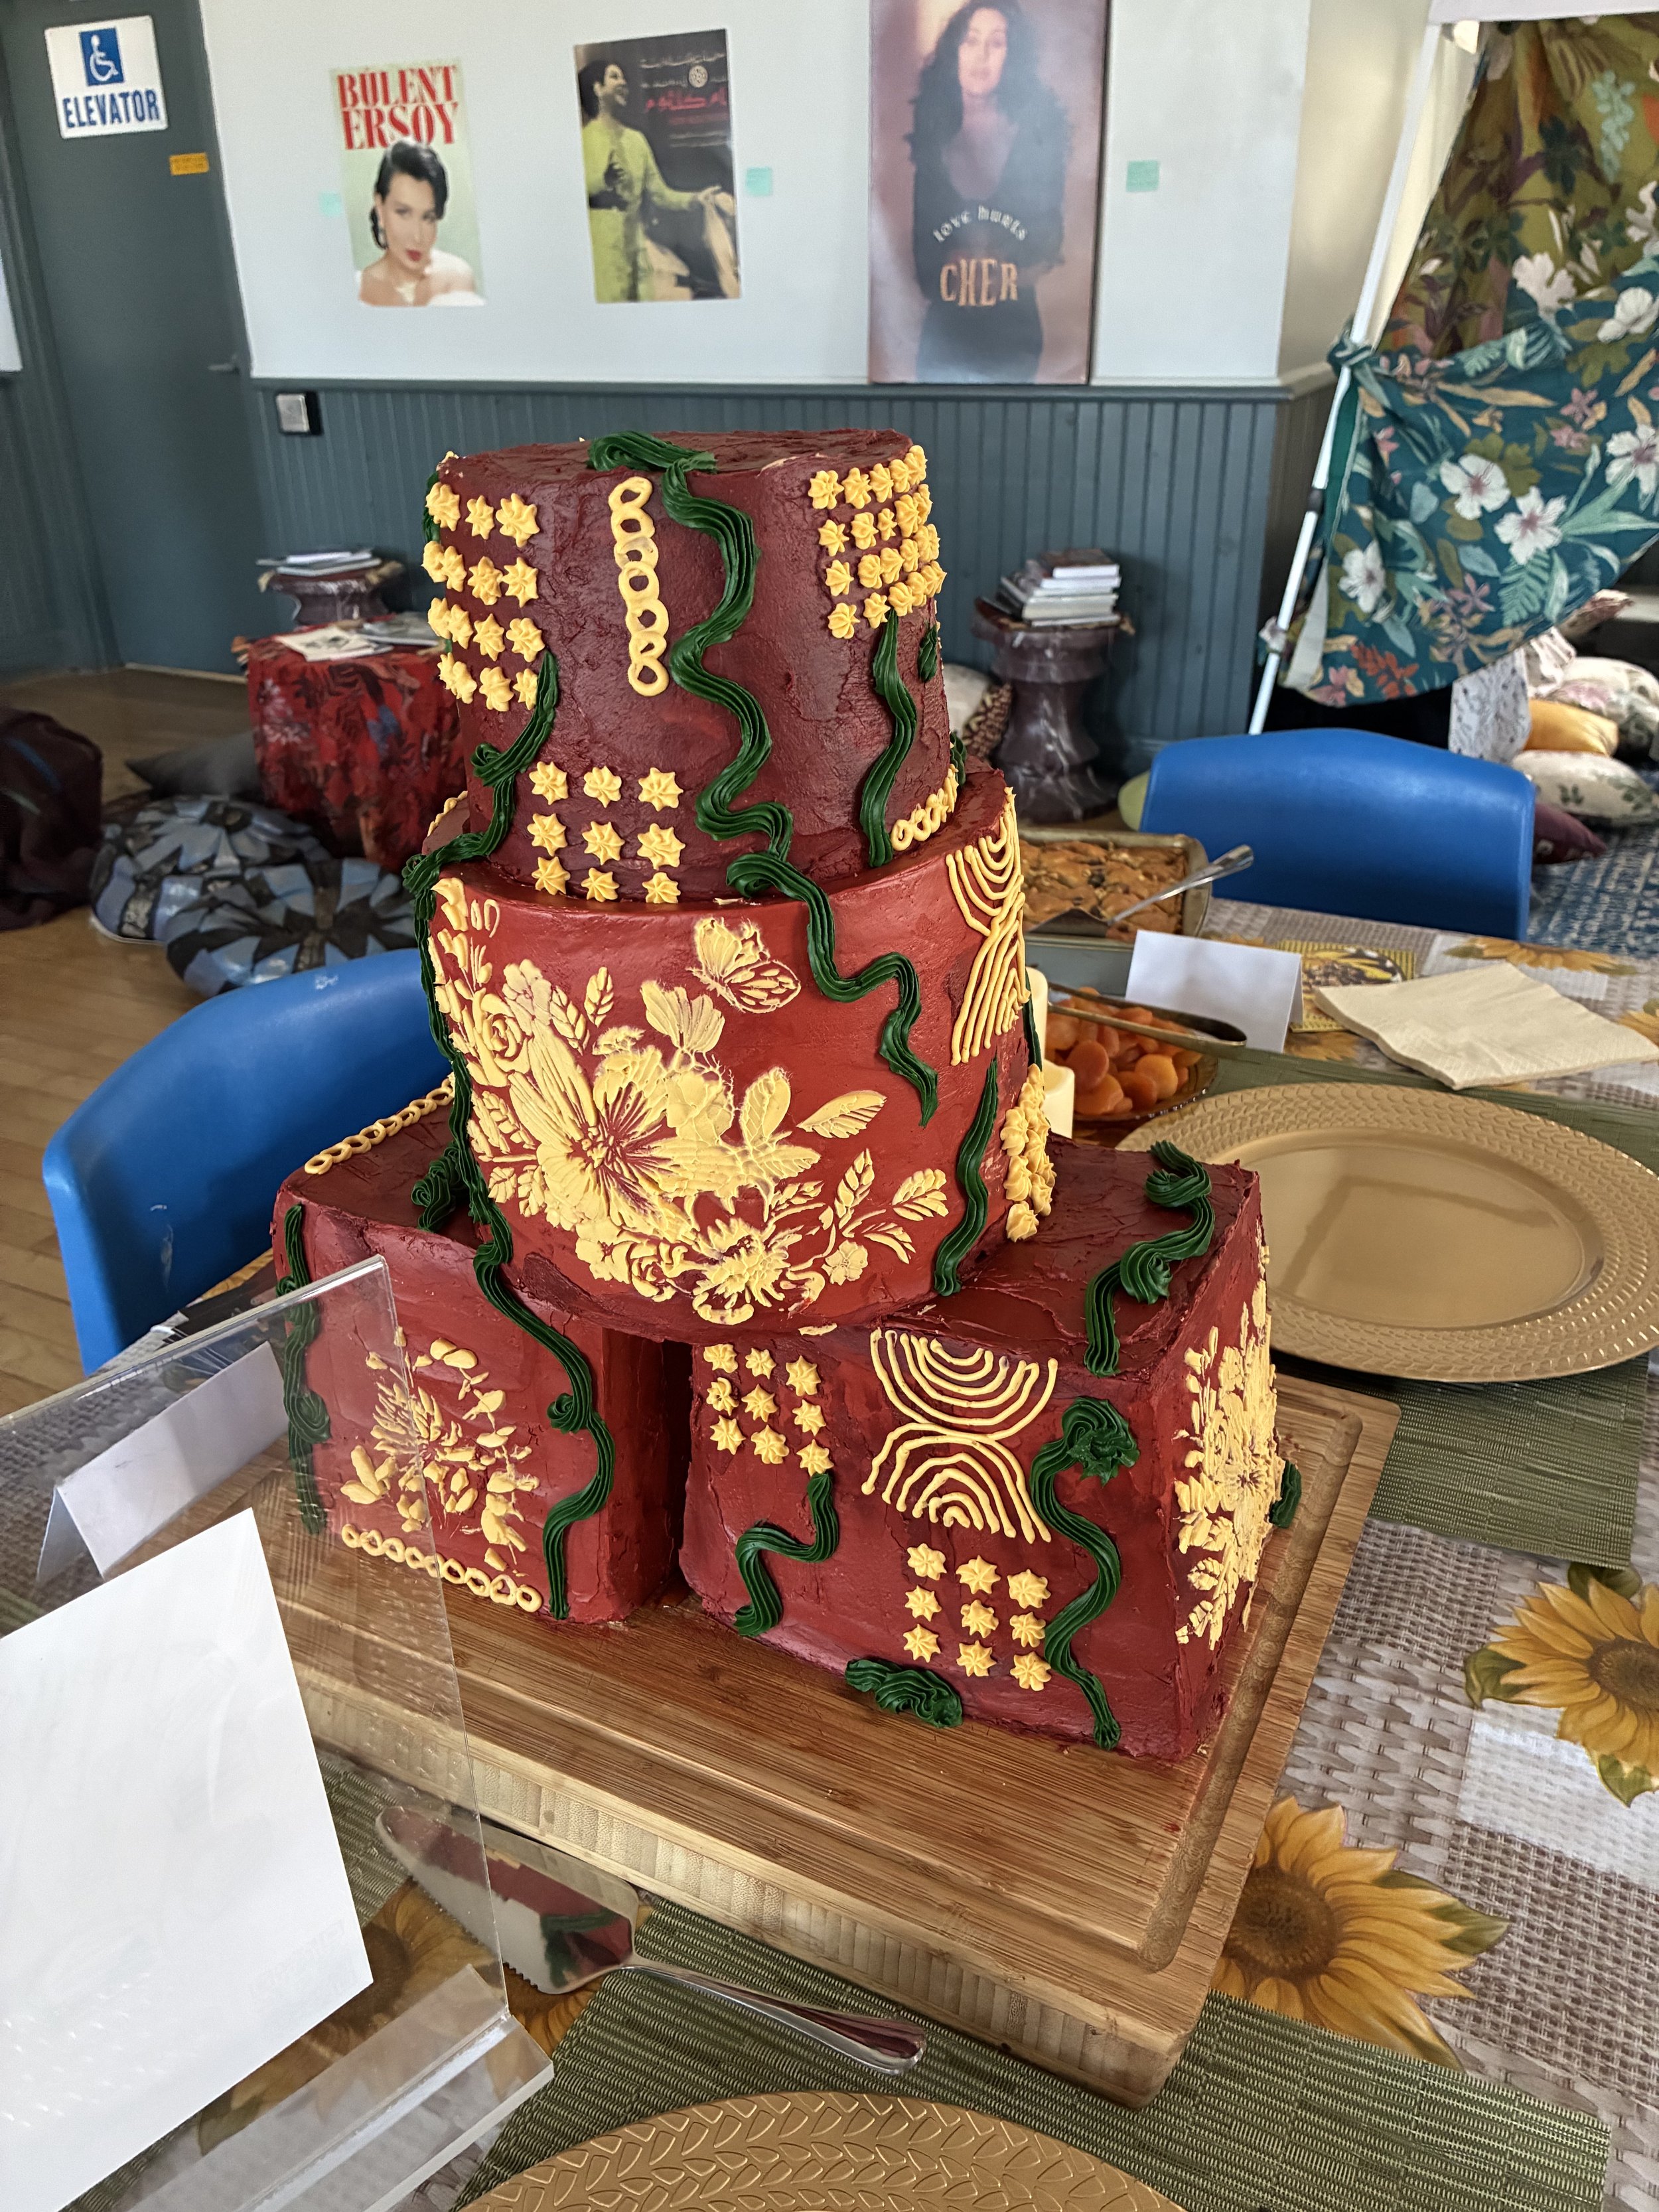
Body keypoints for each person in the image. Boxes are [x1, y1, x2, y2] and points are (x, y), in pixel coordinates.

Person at [908, 2, 1068, 382]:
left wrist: (997, 270)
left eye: (997, 43)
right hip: (942, 343)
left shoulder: (1037, 142)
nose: (981, 55)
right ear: (954, 52)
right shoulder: (931, 143)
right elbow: (923, 264)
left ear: (1013, 57)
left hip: (1014, 342)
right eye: (970, 41)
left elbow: (1049, 248)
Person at [579, 53, 734, 303]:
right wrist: (604, 182)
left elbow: (661, 194)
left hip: (637, 254)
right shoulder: (583, 142)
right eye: (614, 77)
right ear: (597, 89)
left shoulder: (636, 141)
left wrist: (697, 198)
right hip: (601, 258)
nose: (624, 83)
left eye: (624, 77)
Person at [358, 141, 479, 307]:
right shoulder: (361, 289)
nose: (417, 237)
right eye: (403, 213)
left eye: (428, 218)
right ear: (380, 208)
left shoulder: (457, 279)